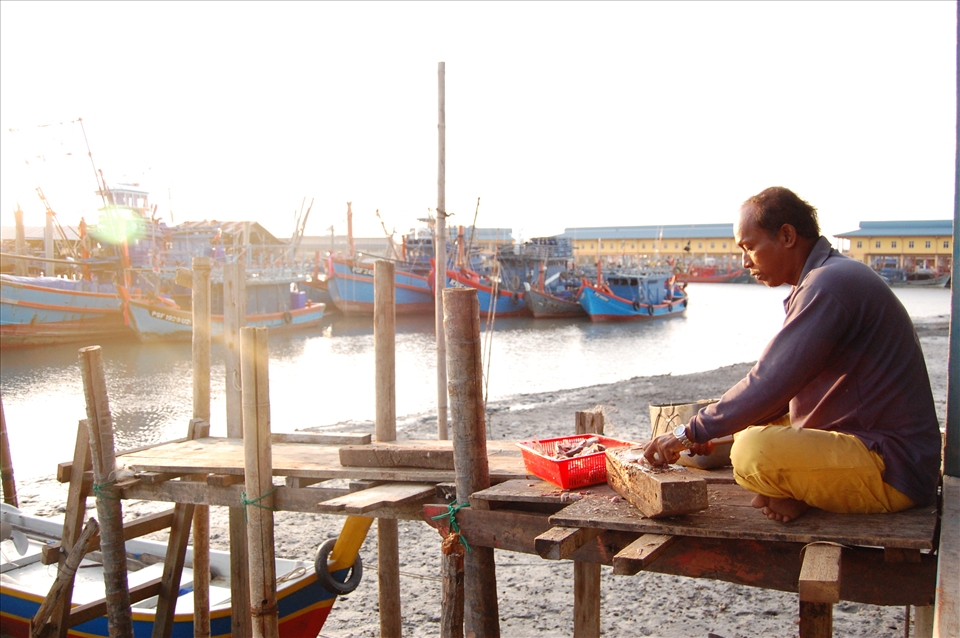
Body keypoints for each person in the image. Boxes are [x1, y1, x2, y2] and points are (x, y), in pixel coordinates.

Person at [643, 186, 942, 523]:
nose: (745, 262)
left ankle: (798, 493)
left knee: (751, 452)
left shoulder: (829, 285)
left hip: (894, 467)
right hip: (880, 448)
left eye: (750, 247)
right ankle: (799, 495)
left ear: (786, 235)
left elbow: (770, 381)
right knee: (744, 432)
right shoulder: (829, 276)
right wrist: (713, 432)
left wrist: (689, 432)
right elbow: (780, 396)